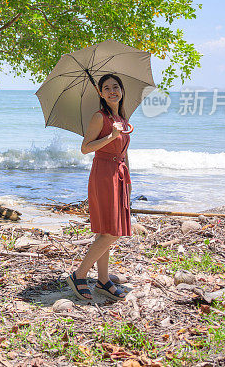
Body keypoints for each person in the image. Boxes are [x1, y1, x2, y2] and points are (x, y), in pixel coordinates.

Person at [66, 73, 132, 301]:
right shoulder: (99, 117)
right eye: (107, 88)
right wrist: (111, 137)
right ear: (101, 93)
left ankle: (103, 281)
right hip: (103, 175)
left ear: (122, 91)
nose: (113, 91)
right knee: (112, 232)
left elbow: (124, 153)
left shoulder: (122, 118)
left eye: (116, 87)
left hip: (119, 175)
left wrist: (129, 182)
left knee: (106, 231)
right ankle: (79, 275)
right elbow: (85, 148)